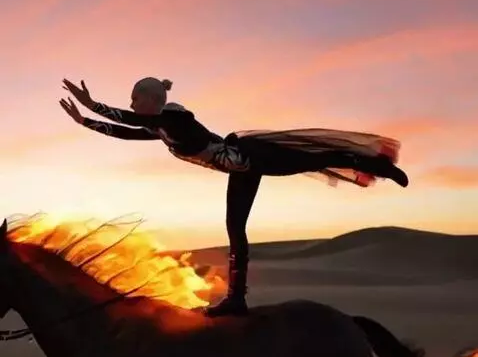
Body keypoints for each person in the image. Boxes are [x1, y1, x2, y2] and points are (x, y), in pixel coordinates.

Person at [60, 77, 409, 317]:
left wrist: (92, 104)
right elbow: (127, 132)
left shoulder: (173, 117)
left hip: (248, 156)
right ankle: (236, 300)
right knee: (235, 228)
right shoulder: (161, 129)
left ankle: (378, 164)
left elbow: (128, 118)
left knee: (313, 158)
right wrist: (84, 121)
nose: (132, 102)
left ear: (151, 100)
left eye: (136, 97)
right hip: (240, 170)